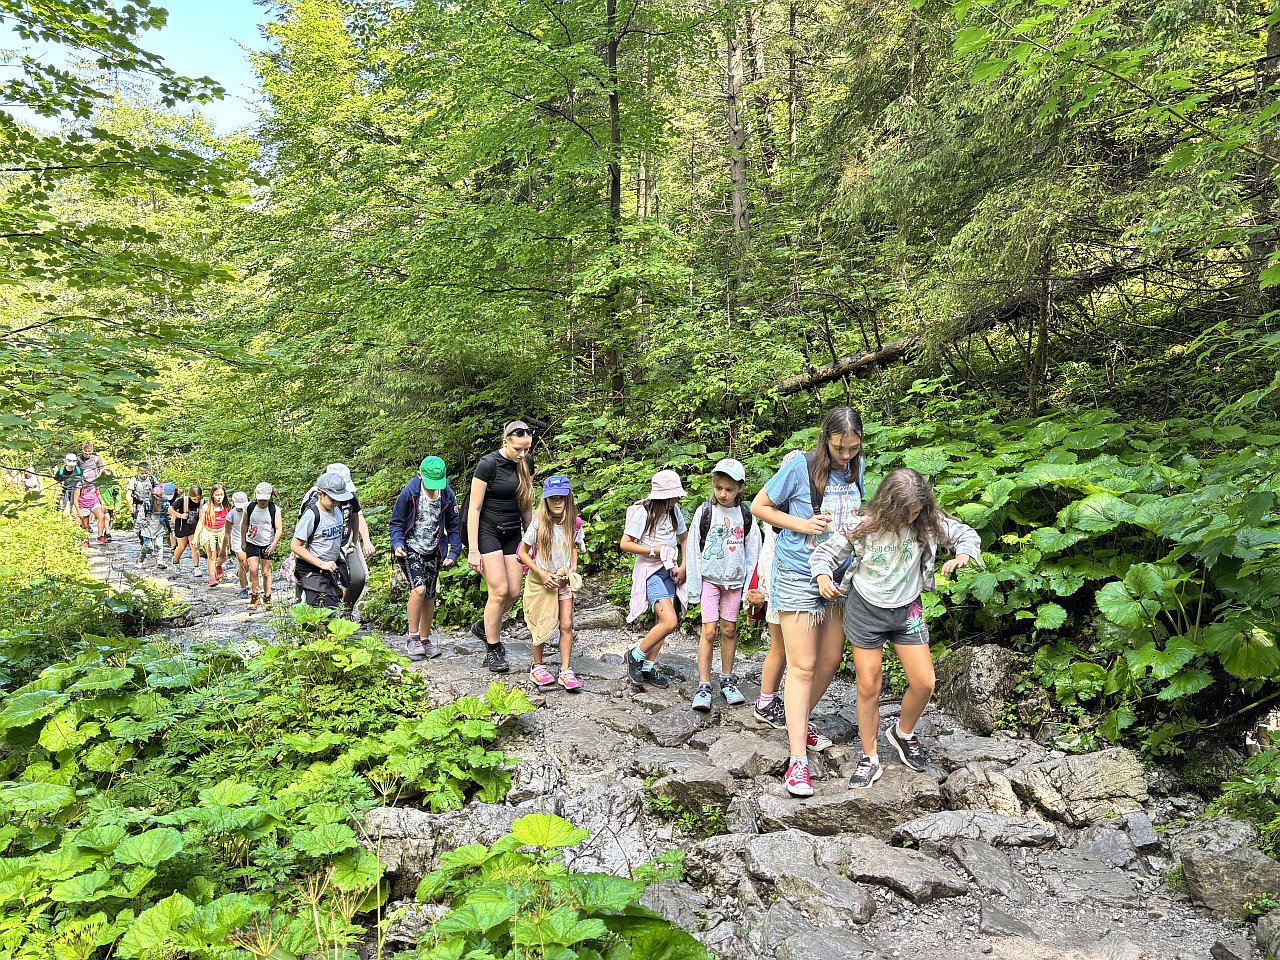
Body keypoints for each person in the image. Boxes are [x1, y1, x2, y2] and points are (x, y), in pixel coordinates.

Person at [811, 467, 981, 789]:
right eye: (905, 513)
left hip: (907, 610)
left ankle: (903, 732)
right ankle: (869, 757)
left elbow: (965, 534)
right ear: (888, 506)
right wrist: (822, 577)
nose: (910, 518)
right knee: (869, 685)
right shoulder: (863, 524)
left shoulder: (926, 523)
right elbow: (825, 553)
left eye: (916, 511)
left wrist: (963, 554)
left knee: (925, 682)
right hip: (866, 610)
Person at [751, 406, 866, 798]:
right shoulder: (800, 467)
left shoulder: (857, 467)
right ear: (825, 440)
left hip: (838, 576)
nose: (846, 456)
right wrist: (802, 524)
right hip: (798, 573)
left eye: (853, 448)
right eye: (839, 448)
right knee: (803, 665)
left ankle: (796, 720)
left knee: (831, 660)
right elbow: (759, 506)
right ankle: (797, 760)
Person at [686, 458, 762, 712]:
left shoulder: (746, 515)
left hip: (734, 582)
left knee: (729, 629)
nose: (723, 494)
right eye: (719, 488)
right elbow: (693, 551)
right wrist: (693, 587)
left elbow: (753, 553)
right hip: (710, 580)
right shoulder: (705, 512)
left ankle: (728, 679)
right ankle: (704, 684)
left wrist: (751, 588)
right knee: (708, 632)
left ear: (740, 488)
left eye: (729, 489)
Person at [467, 421, 535, 674]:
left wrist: (531, 539)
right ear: (505, 441)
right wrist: (473, 549)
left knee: (514, 591)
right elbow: (474, 509)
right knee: (499, 591)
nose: (522, 454)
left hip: (512, 532)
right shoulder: (488, 464)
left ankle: (485, 625)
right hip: (488, 531)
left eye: (526, 449)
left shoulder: (526, 463)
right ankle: (493, 648)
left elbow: (526, 505)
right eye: (518, 449)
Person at [749, 450, 804, 729]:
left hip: (783, 588)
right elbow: (769, 556)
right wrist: (765, 592)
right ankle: (766, 701)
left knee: (783, 650)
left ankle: (771, 699)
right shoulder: (778, 517)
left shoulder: (783, 510)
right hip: (779, 589)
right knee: (780, 649)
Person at [620, 469, 689, 689]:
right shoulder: (644, 513)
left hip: (669, 571)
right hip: (650, 572)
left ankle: (648, 666)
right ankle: (635, 655)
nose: (676, 499)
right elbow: (625, 543)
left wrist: (684, 565)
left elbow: (684, 538)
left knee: (662, 623)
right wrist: (653, 550)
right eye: (672, 496)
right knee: (670, 621)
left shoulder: (674, 511)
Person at [517, 475, 585, 692]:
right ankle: (537, 665)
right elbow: (522, 552)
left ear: (568, 498)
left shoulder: (574, 523)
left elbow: (573, 546)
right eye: (552, 498)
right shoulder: (538, 524)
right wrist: (542, 574)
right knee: (541, 622)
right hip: (542, 582)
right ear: (545, 500)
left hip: (563, 580)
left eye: (561, 498)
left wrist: (572, 568)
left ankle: (565, 669)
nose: (557, 502)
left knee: (566, 623)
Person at [389, 456, 462, 659]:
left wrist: (453, 553)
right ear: (419, 475)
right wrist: (397, 544)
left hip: (434, 549)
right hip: (410, 547)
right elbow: (396, 523)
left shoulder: (447, 495)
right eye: (430, 483)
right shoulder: (409, 493)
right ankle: (412, 637)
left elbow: (454, 527)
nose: (434, 487)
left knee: (429, 595)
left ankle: (425, 639)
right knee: (419, 589)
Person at [291, 472, 352, 608]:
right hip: (312, 568)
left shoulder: (337, 510)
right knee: (323, 608)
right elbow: (295, 546)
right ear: (320, 494)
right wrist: (321, 564)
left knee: (333, 604)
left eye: (338, 499)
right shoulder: (312, 515)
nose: (336, 502)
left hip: (330, 566)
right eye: (332, 499)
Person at [324, 464, 376, 617]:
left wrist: (360, 540)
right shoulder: (316, 498)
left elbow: (356, 516)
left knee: (358, 578)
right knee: (326, 583)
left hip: (346, 544)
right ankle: (326, 618)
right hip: (324, 546)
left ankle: (347, 610)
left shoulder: (351, 496)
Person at [242, 482, 283, 611]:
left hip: (267, 543)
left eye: (265, 499)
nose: (262, 502)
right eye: (260, 499)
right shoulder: (249, 507)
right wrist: (243, 541)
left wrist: (274, 544)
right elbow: (244, 524)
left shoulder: (274, 509)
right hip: (252, 542)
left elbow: (279, 529)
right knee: (253, 569)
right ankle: (254, 596)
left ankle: (267, 597)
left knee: (266, 572)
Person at [194, 485, 231, 586]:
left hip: (222, 532)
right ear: (212, 495)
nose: (219, 497)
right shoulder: (206, 507)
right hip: (209, 532)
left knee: (224, 554)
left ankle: (218, 566)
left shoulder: (227, 506)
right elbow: (200, 522)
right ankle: (211, 577)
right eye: (217, 495)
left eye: (221, 495)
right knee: (212, 555)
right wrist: (195, 537)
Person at [169, 484, 202, 576]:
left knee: (194, 547)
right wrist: (180, 515)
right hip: (181, 527)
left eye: (198, 499)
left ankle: (196, 567)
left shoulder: (202, 503)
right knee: (181, 546)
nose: (196, 501)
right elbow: (170, 509)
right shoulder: (182, 501)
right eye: (194, 499)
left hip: (194, 528)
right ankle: (175, 561)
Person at [135, 484, 166, 568]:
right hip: (147, 527)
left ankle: (159, 561)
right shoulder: (147, 505)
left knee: (159, 545)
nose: (160, 502)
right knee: (147, 545)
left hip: (159, 526)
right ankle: (141, 558)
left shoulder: (165, 505)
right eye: (158, 500)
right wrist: (137, 529)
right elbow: (140, 517)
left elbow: (168, 517)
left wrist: (171, 528)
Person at [227, 492, 251, 599]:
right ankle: (243, 588)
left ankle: (241, 574)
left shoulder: (252, 510)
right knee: (243, 563)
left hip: (251, 540)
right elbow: (227, 532)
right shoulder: (231, 515)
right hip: (237, 541)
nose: (241, 509)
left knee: (249, 565)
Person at [77, 468, 107, 546]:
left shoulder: (95, 483)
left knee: (101, 516)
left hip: (94, 503)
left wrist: (102, 503)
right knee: (85, 525)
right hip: (83, 505)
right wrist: (78, 511)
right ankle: (85, 540)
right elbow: (75, 499)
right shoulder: (79, 485)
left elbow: (98, 494)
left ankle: (100, 536)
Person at [126, 462, 159, 528]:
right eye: (142, 473)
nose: (144, 475)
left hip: (150, 504)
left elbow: (158, 491)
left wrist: (157, 504)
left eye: (146, 473)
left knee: (150, 524)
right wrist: (130, 506)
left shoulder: (152, 479)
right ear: (138, 471)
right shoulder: (134, 480)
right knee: (139, 525)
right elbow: (128, 494)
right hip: (138, 504)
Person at [98, 469, 121, 542]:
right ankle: (108, 534)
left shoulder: (115, 486)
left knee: (109, 519)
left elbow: (117, 497)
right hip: (102, 505)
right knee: (107, 518)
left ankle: (106, 532)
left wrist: (117, 507)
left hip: (111, 505)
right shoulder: (100, 486)